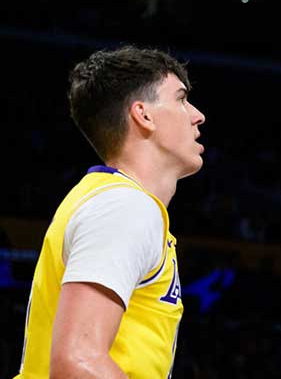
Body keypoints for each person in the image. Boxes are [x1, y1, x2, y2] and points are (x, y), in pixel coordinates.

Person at [15, 46, 205, 379]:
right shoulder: (126, 208)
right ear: (143, 115)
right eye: (180, 99)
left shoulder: (112, 202)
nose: (197, 114)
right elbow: (76, 363)